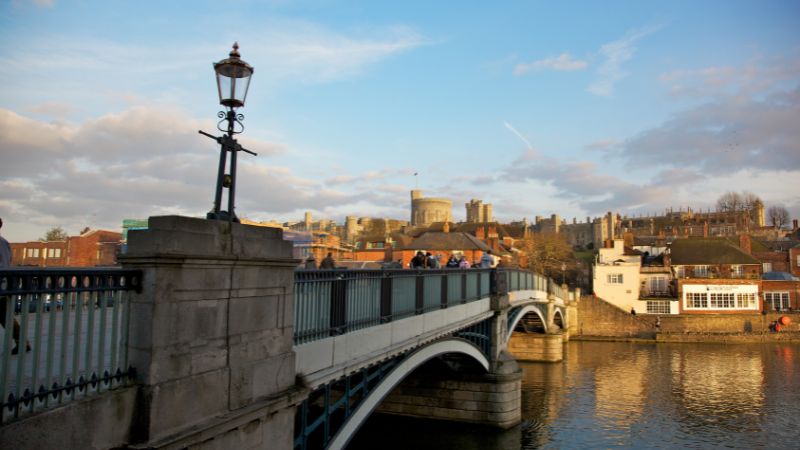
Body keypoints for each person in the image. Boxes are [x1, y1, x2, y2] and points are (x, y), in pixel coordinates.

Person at [0, 218, 28, 354]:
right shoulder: (4, 242)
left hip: (2, 285)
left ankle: (22, 342)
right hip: (4, 285)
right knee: (5, 317)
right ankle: (22, 342)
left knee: (5, 317)